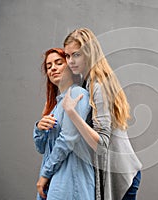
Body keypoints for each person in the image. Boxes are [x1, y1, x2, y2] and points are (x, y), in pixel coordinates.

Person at [62, 28, 142, 200]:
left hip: (121, 178)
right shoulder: (88, 82)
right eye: (67, 56)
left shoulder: (98, 86)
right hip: (120, 173)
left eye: (76, 55)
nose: (70, 61)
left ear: (89, 53)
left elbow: (102, 143)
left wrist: (71, 113)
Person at [33, 48, 95, 200]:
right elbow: (42, 148)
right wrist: (39, 129)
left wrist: (44, 175)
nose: (53, 68)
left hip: (72, 179)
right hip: (55, 179)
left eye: (58, 63)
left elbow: (68, 139)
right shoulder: (54, 106)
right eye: (49, 66)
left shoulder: (77, 94)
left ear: (70, 66)